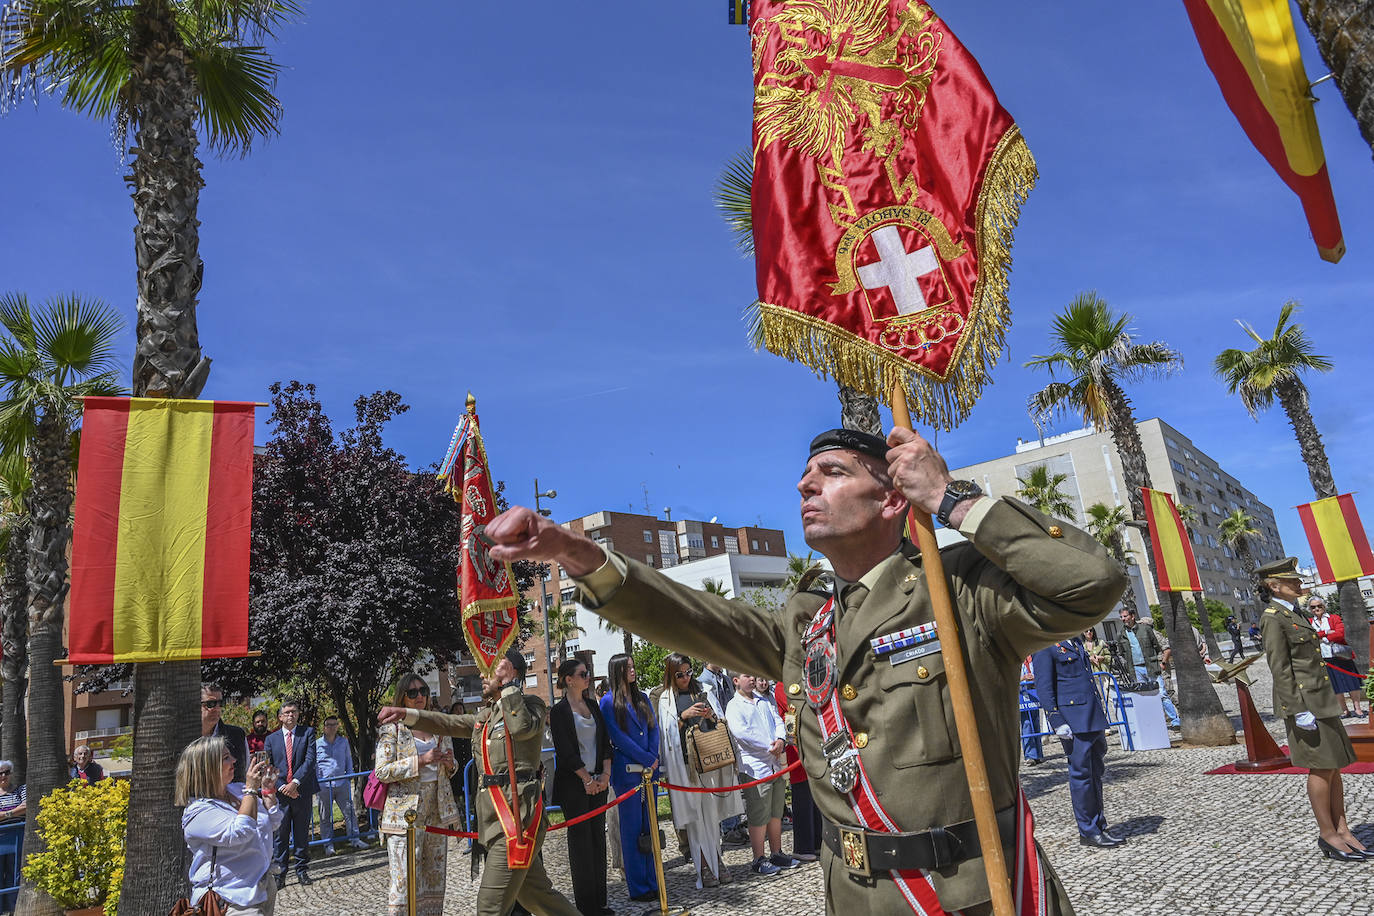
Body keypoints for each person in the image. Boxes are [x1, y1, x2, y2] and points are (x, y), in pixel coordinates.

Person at [480, 426, 1127, 915]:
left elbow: (1092, 585)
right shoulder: (807, 618)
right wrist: (577, 553)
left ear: (892, 500)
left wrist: (950, 497)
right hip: (853, 896)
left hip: (972, 893)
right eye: (806, 474)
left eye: (833, 472)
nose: (804, 484)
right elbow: (705, 622)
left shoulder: (958, 590)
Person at [377, 648, 580, 916]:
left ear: (511, 672)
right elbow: (447, 722)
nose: (482, 675)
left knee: (489, 906)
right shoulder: (486, 716)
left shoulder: (531, 705)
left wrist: (508, 686)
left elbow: (520, 728)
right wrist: (406, 714)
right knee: (539, 896)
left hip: (515, 819)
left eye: (491, 669)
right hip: (495, 819)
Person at [1257, 557, 1364, 862]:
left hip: (1322, 700)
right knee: (1321, 767)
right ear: (1273, 585)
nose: (1298, 584)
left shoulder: (1295, 613)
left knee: (1334, 766)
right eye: (1291, 581)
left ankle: (1342, 829)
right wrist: (1296, 709)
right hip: (1305, 705)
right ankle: (1327, 834)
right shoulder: (1273, 617)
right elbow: (1280, 668)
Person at [374, 674, 460, 916]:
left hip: (436, 809)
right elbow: (382, 771)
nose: (420, 696)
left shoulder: (438, 724)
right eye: (413, 693)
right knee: (405, 883)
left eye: (423, 690)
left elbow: (450, 769)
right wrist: (421, 761)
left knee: (435, 878)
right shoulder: (392, 729)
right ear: (402, 697)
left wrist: (450, 764)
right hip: (404, 814)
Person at [657, 653, 742, 888]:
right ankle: (703, 866)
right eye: (680, 674)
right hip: (686, 766)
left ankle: (717, 860)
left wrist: (709, 714)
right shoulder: (666, 699)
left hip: (708, 760)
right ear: (671, 675)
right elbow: (665, 735)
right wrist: (683, 716)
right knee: (695, 818)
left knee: (711, 816)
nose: (685, 677)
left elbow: (720, 721)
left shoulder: (703, 689)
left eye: (688, 672)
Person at [1032, 638, 1124, 849]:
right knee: (1082, 776)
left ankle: (1099, 825)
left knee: (1096, 773)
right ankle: (1088, 830)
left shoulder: (1075, 641)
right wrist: (1056, 719)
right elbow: (1044, 686)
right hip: (1073, 720)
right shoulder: (1046, 645)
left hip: (1091, 717)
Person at [178, 735, 284, 915]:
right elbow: (240, 833)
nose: (234, 760)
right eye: (226, 758)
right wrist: (251, 789)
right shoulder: (198, 811)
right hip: (232, 898)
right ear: (208, 768)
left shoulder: (237, 790)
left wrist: (267, 791)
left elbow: (270, 824)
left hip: (262, 887)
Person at [550, 658, 613, 915]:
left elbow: (605, 741)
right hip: (574, 785)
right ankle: (587, 907)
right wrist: (586, 779)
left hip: (599, 781)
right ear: (568, 679)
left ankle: (600, 901)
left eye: (588, 673)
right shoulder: (559, 711)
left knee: (598, 839)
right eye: (583, 673)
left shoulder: (592, 705)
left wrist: (605, 775)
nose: (588, 677)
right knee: (581, 844)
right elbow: (565, 751)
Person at [599, 653, 659, 902]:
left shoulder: (643, 698)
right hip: (628, 774)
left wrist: (653, 757)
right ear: (618, 671)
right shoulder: (608, 702)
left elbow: (653, 729)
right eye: (628, 668)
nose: (633, 671)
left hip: (651, 772)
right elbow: (617, 737)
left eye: (633, 667)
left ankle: (654, 880)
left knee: (651, 828)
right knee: (632, 830)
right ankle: (638, 887)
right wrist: (646, 758)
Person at [726, 672, 798, 877]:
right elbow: (742, 733)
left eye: (753, 676)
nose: (752, 679)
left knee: (775, 812)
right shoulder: (734, 706)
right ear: (736, 680)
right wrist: (770, 746)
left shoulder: (765, 699)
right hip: (755, 767)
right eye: (747, 676)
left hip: (774, 764)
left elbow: (777, 720)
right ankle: (758, 858)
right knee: (759, 814)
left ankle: (776, 852)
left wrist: (781, 740)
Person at [264, 699, 317, 888]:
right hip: (281, 795)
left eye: (293, 712)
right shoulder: (271, 739)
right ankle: (280, 875)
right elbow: (269, 767)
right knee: (281, 836)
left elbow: (310, 760)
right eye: (286, 712)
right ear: (280, 717)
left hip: (301, 791)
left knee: (302, 833)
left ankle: (302, 871)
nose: (290, 715)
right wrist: (283, 787)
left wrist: (294, 783)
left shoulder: (308, 733)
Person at [772, 677, 820, 862]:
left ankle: (817, 842)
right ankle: (803, 845)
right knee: (801, 798)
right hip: (796, 746)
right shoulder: (782, 686)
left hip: (811, 743)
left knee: (815, 797)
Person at [1116, 607, 1182, 729]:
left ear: (1132, 616)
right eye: (1121, 617)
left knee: (1162, 694)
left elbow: (1157, 647)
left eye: (1125, 616)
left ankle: (1175, 721)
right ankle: (1154, 722)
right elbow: (1120, 653)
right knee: (1144, 697)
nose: (1123, 619)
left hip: (1151, 667)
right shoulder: (1121, 634)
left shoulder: (1145, 629)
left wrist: (1161, 662)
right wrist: (1126, 664)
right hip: (1135, 670)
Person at [315, 714, 368, 854]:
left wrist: (349, 776)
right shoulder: (317, 744)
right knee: (325, 816)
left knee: (349, 812)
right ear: (324, 728)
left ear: (338, 726)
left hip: (341, 783)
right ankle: (328, 845)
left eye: (334, 724)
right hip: (324, 785)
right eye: (329, 725)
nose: (332, 728)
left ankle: (355, 839)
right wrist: (317, 781)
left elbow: (348, 759)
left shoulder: (343, 742)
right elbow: (314, 764)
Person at [1307, 596, 1366, 719]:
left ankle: (1358, 708)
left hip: (1341, 655)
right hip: (1325, 658)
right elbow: (1309, 636)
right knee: (1335, 686)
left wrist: (1321, 637)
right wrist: (1327, 632)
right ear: (1310, 609)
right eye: (1313, 607)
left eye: (1319, 606)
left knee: (1352, 683)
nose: (1316, 609)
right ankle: (1344, 710)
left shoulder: (1334, 618)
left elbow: (1340, 633)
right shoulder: (1309, 622)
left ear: (1324, 606)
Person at [203, 683, 249, 785]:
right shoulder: (186, 738)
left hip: (232, 798)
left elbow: (246, 771)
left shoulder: (237, 735)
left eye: (220, 703)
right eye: (211, 704)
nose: (217, 708)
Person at [0, 761, 23, 913]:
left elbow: (26, 806)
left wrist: (5, 814)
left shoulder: (21, 790)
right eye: (0, 773)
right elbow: (20, 808)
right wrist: (15, 810)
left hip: (16, 838)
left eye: (7, 772)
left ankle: (12, 909)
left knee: (14, 875)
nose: (3, 776)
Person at [1017, 656, 1043, 767]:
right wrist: (1023, 678)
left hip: (1033, 694)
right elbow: (1010, 677)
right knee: (1026, 724)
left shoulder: (1032, 660)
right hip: (1022, 695)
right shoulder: (1016, 661)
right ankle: (1030, 755)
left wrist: (1034, 677)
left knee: (1036, 722)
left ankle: (1038, 754)